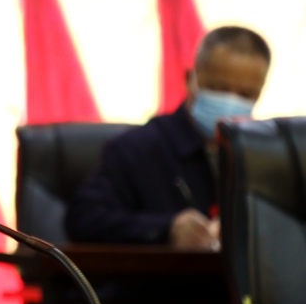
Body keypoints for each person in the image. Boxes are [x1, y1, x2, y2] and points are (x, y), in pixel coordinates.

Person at [66, 26, 270, 249]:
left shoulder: (264, 157)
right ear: (190, 79)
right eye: (218, 88)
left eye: (246, 94)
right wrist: (166, 229)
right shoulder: (136, 149)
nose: (230, 102)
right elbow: (82, 219)